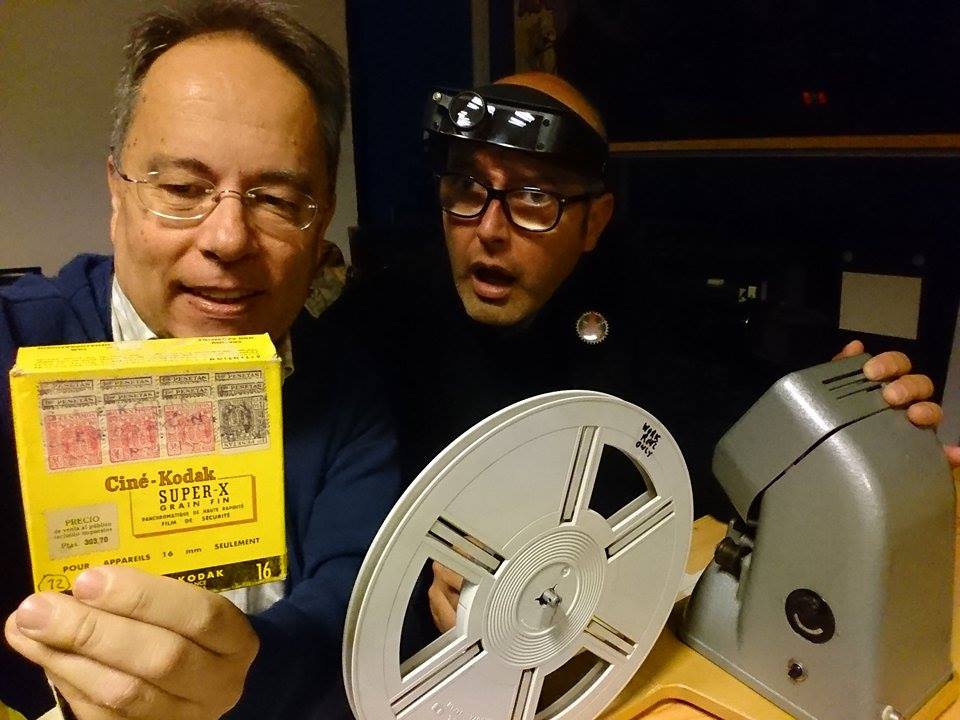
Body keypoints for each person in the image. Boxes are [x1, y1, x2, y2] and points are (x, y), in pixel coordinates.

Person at [347, 72, 958, 634]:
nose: (488, 228)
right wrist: (431, 583)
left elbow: (748, 467)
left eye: (534, 197)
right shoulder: (380, 321)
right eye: (466, 187)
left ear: (593, 223)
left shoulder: (652, 316)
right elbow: (341, 543)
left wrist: (862, 450)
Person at [1, 3, 399, 719]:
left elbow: (359, 599)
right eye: (183, 190)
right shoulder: (12, 343)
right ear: (116, 193)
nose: (228, 238)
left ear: (320, 224)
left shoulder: (347, 378)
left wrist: (237, 674)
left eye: (277, 199)